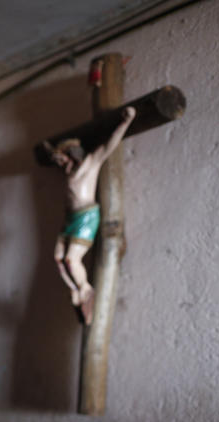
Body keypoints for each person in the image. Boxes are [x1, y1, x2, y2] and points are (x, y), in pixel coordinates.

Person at [47, 105, 136, 325]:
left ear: (74, 155)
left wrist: (126, 122)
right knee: (58, 257)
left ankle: (86, 289)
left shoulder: (90, 164)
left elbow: (109, 145)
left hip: (86, 217)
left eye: (65, 160)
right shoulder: (69, 171)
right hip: (70, 218)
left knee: (71, 258)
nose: (63, 166)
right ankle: (76, 289)